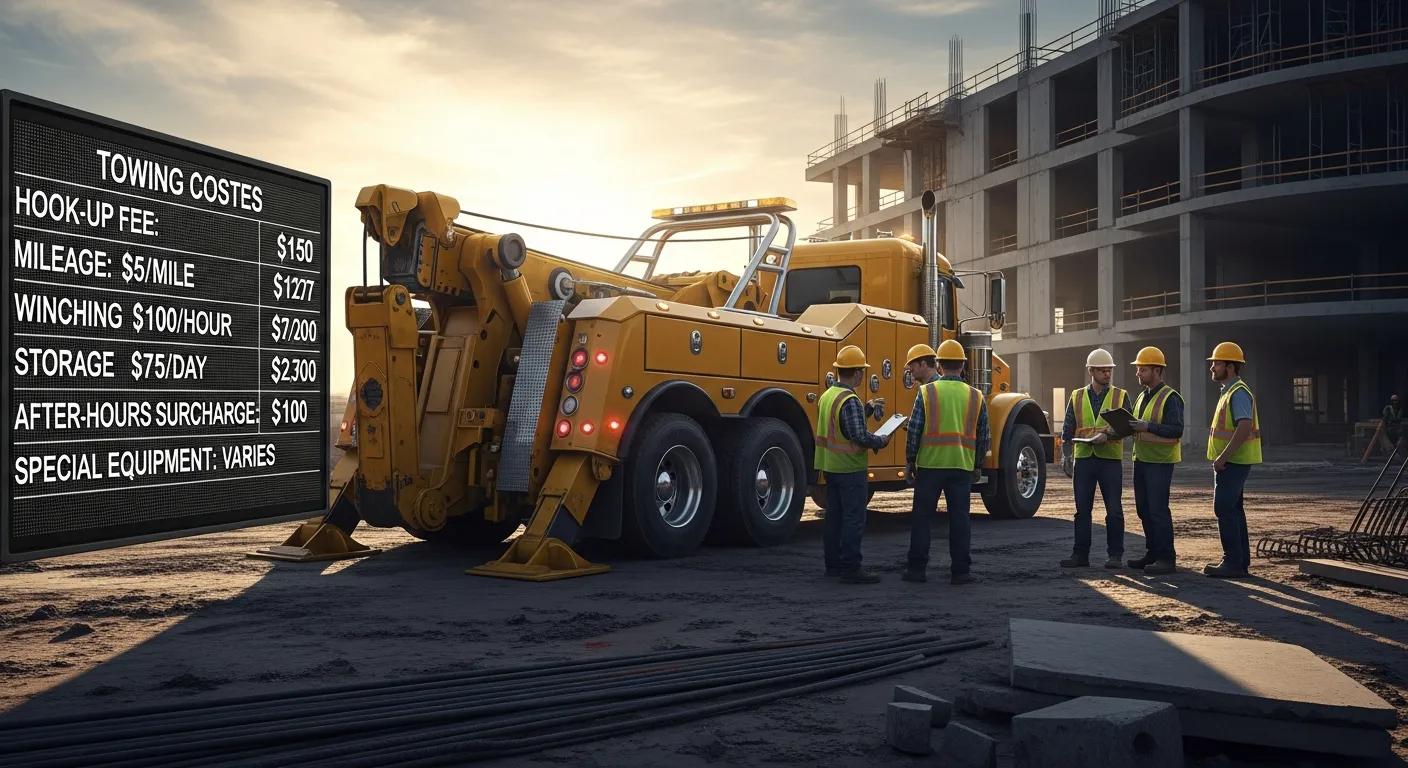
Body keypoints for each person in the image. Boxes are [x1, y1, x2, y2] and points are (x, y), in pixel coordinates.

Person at [903, 339, 988, 586]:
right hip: (961, 466)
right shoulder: (975, 395)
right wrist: (978, 464)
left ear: (938, 366)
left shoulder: (927, 393)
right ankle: (960, 572)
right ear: (962, 365)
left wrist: (910, 461)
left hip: (930, 466)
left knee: (922, 519)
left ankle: (917, 570)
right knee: (960, 520)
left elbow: (915, 430)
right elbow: (984, 435)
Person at [815, 345, 892, 584]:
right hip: (850, 469)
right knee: (853, 519)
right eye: (862, 371)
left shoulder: (828, 395)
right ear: (857, 373)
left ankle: (833, 566)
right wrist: (882, 439)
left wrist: (866, 409)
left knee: (834, 518)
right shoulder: (850, 400)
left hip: (830, 467)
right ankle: (851, 568)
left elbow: (840, 427)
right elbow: (858, 436)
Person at [1060, 348, 1129, 569]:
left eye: (1109, 371)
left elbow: (1127, 428)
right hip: (1084, 459)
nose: (1107, 374)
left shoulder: (1120, 395)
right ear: (1091, 371)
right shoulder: (1077, 396)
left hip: (1109, 459)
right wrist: (1066, 455)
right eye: (1102, 371)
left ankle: (1115, 556)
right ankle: (1080, 556)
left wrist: (1107, 434)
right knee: (1082, 511)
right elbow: (1068, 427)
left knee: (1114, 510)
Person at [1205, 341, 1262, 578]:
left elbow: (1244, 426)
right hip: (1233, 461)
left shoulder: (1237, 392)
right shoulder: (1229, 391)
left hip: (1232, 462)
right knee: (1234, 510)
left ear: (1229, 366)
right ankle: (1240, 562)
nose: (1212, 368)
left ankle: (1232, 562)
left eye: (1216, 364)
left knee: (1224, 508)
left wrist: (1222, 457)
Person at [1125, 346, 1183, 575]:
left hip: (1160, 463)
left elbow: (1176, 430)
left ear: (1157, 370)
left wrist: (1146, 426)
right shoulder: (1141, 396)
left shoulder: (1171, 397)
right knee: (1144, 510)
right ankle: (1153, 553)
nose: (1138, 373)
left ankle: (1167, 558)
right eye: (1138, 369)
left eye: (1143, 369)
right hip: (1142, 460)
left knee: (1158, 510)